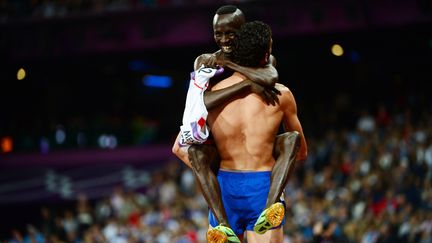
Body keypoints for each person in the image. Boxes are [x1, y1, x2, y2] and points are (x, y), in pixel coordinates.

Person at [174, 20, 307, 242]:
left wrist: (213, 171)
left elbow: (179, 148)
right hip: (264, 187)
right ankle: (272, 204)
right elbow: (301, 152)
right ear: (267, 55)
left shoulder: (212, 96)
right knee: (290, 140)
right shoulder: (281, 94)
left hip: (224, 188)